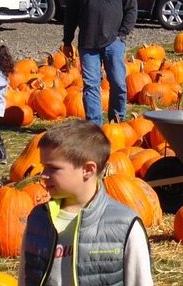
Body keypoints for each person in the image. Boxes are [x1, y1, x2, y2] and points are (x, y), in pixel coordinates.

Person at [18, 119, 153, 285]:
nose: (43, 174)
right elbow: (25, 277)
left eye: (53, 168)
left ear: (88, 170)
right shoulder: (39, 219)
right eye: (43, 166)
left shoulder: (123, 225)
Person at [63, 0, 137, 126]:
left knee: (119, 83)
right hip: (88, 44)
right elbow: (71, 14)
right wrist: (67, 40)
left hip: (114, 42)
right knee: (91, 85)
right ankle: (94, 126)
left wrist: (122, 34)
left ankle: (117, 120)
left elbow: (131, 9)